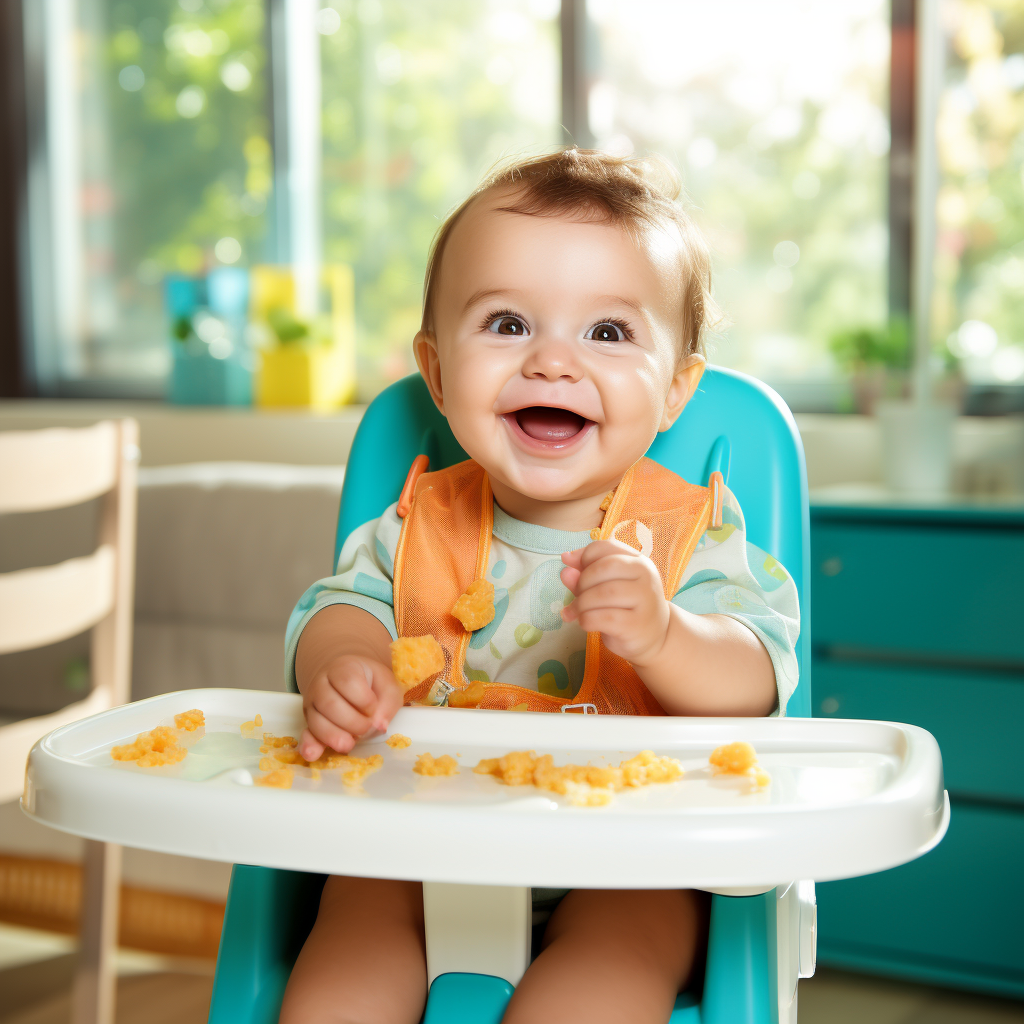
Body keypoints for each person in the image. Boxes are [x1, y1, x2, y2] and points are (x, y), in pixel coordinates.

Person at [278, 148, 800, 1024]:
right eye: (508, 324)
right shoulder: (416, 523)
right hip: (417, 838)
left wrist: (667, 637)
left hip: (630, 857)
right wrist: (343, 665)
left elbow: (757, 677)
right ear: (438, 374)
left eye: (607, 332)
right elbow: (338, 607)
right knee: (350, 945)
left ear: (674, 392)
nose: (553, 363)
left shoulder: (691, 532)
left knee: (610, 965)